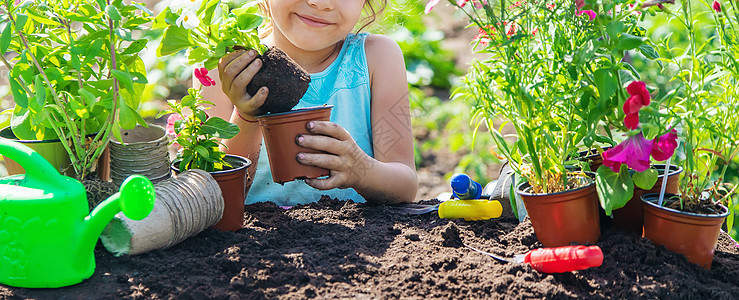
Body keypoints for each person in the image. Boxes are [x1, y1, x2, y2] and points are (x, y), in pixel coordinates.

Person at [203, 0, 417, 206]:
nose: (320, 2)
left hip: (356, 241)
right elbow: (211, 196)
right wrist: (247, 116)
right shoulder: (225, 66)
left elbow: (405, 186)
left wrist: (362, 170)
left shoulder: (377, 57)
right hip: (253, 241)